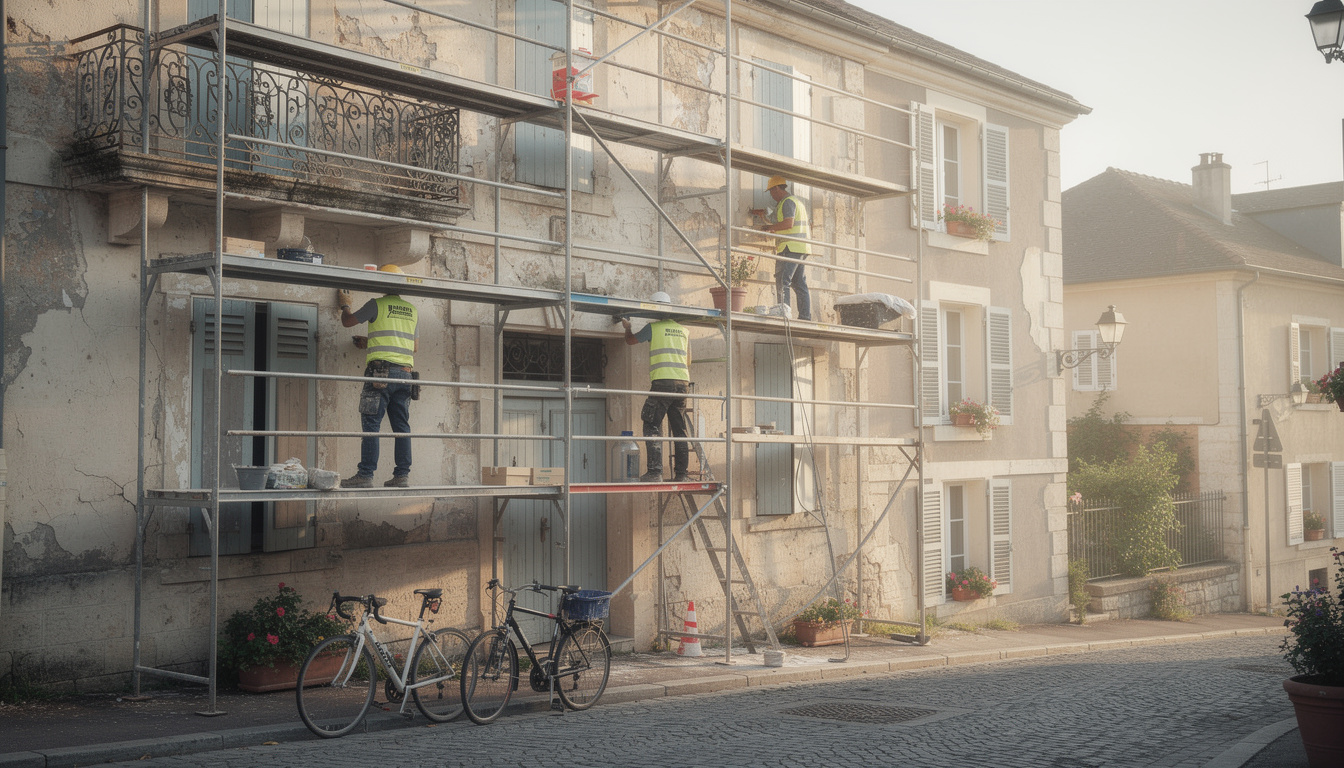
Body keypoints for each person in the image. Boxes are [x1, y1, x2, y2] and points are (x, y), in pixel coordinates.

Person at [338, 265, 418, 488]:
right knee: (402, 427)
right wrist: (370, 343)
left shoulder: (377, 304)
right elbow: (414, 347)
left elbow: (348, 322)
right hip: (404, 374)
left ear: (382, 283)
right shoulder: (412, 310)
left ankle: (365, 475)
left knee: (371, 424)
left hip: (380, 372)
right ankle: (402, 475)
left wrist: (345, 305)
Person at [621, 292, 691, 483]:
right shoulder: (684, 331)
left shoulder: (653, 328)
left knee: (651, 423)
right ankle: (682, 474)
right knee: (679, 430)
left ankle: (655, 472)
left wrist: (627, 327)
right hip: (682, 384)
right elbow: (688, 360)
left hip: (662, 383)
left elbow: (630, 341)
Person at [749, 175, 812, 321]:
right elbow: (782, 221)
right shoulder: (795, 202)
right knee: (799, 283)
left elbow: (788, 223)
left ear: (777, 188)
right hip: (801, 247)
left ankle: (784, 313)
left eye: (771, 191)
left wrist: (769, 228)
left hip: (790, 247)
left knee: (783, 280)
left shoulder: (787, 202)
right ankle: (805, 317)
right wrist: (765, 217)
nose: (771, 195)